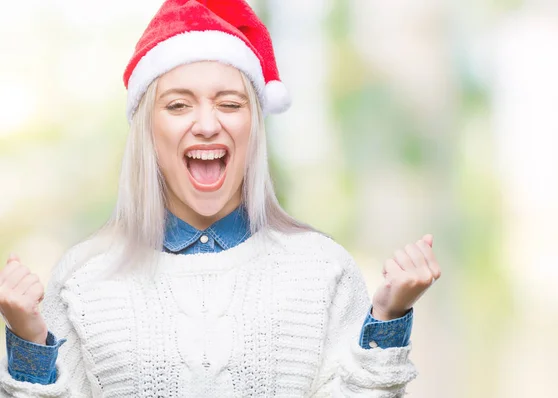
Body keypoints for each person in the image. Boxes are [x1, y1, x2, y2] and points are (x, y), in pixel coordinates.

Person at [0, 0, 441, 396]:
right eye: (178, 106)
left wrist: (386, 315)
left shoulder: (324, 270)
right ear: (148, 133)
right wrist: (29, 339)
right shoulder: (82, 278)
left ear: (254, 125)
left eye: (229, 104)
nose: (207, 124)